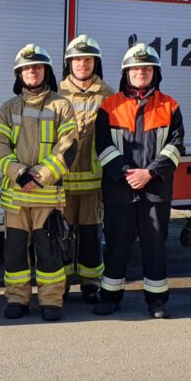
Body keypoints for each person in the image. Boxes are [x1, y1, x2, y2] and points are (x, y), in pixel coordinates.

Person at [93, 44, 185, 318]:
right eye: (135, 69)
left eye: (146, 69)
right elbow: (103, 146)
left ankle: (157, 301)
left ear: (155, 72)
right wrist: (127, 173)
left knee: (155, 245)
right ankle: (110, 297)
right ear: (126, 73)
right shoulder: (110, 106)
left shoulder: (170, 105)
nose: (141, 73)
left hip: (155, 189)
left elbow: (176, 145)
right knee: (117, 245)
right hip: (119, 189)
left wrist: (150, 173)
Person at [0, 44, 78, 321]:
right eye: (27, 68)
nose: (32, 72)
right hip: (16, 198)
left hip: (47, 197)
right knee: (15, 253)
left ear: (46, 72)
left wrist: (38, 178)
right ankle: (17, 299)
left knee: (49, 253)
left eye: (37, 67)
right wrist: (19, 174)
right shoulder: (8, 108)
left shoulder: (61, 105)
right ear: (19, 73)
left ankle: (51, 301)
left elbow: (68, 147)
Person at [57, 35, 113, 304]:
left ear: (95, 63)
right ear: (69, 63)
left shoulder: (109, 96)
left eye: (88, 60)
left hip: (93, 181)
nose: (82, 64)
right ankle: (63, 282)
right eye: (77, 60)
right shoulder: (56, 94)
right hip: (62, 181)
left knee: (91, 235)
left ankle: (91, 283)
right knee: (62, 235)